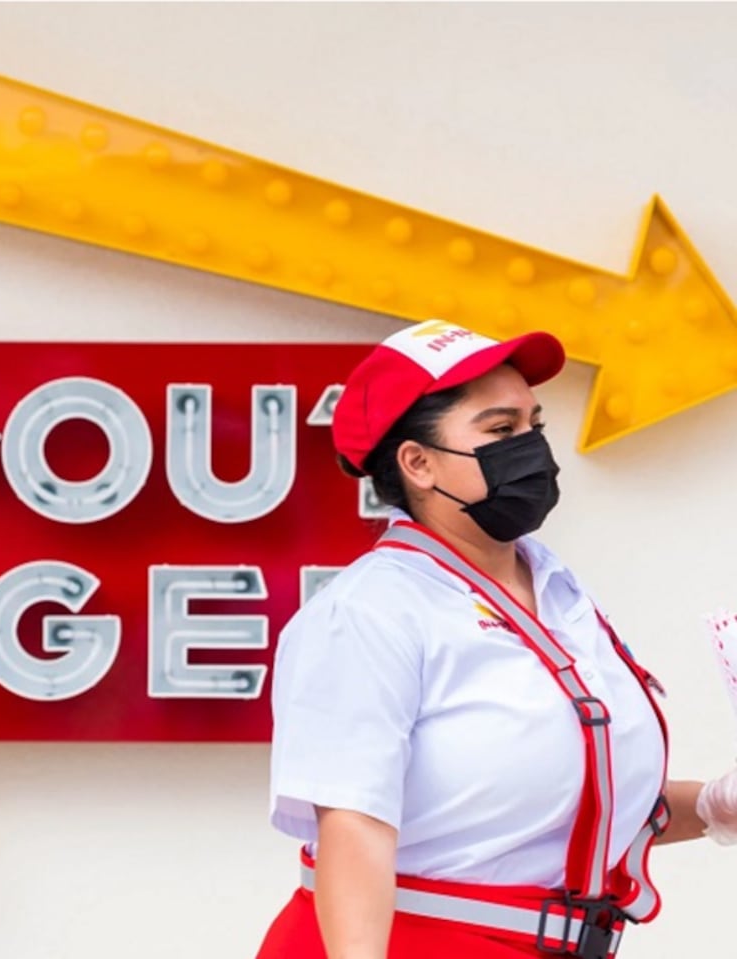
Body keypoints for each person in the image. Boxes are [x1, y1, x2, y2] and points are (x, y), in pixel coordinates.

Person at [255, 320, 737, 959]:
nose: (532, 448)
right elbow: (355, 830)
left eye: (534, 425)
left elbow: (542, 820)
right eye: (500, 430)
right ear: (418, 463)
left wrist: (709, 806)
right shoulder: (368, 612)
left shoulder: (559, 592)